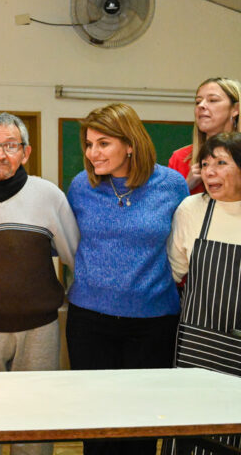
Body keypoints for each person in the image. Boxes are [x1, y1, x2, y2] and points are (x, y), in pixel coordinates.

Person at [0, 113, 79, 455]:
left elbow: (74, 256)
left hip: (38, 331)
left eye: (10, 145)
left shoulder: (49, 195)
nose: (0, 155)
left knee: (34, 428)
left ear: (26, 152)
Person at [66, 103, 188, 455]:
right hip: (89, 321)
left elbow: (179, 243)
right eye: (89, 145)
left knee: (141, 425)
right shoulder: (81, 186)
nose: (92, 154)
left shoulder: (171, 185)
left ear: (130, 143)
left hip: (152, 322)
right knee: (96, 424)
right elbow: (71, 241)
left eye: (103, 143)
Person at [163, 132, 241, 454]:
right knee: (190, 431)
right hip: (197, 347)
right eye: (205, 164)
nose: (209, 172)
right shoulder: (191, 209)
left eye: (221, 163)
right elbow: (175, 271)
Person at [169, 77, 240, 194]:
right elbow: (166, 209)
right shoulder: (180, 158)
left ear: (235, 109)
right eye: (198, 102)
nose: (201, 105)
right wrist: (186, 185)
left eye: (212, 100)